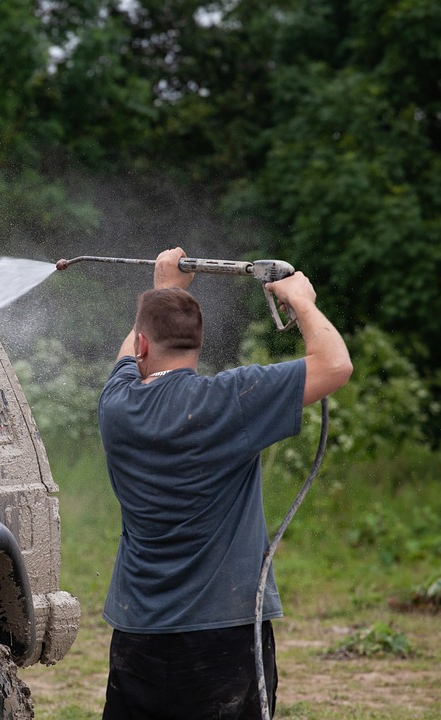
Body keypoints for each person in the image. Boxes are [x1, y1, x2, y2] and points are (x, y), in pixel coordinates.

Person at [98, 247, 352, 720]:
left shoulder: (116, 405)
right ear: (198, 343)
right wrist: (302, 302)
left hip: (139, 634)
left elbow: (128, 354)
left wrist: (165, 289)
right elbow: (335, 366)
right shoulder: (231, 400)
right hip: (223, 636)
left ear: (143, 347)